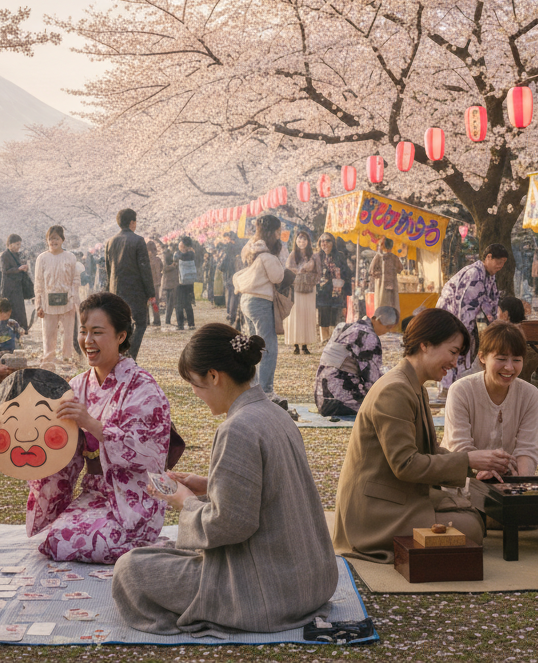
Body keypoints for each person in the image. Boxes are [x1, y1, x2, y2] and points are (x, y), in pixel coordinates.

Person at [112, 323, 337, 635]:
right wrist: (210, 485)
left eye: (194, 383)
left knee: (130, 568)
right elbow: (271, 488)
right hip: (311, 580)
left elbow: (229, 525)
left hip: (268, 592)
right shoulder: (276, 412)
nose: (194, 392)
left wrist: (184, 501)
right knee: (163, 550)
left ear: (214, 376)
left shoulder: (238, 428)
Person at [331, 309, 513, 562]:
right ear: (425, 344)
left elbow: (426, 451)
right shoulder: (395, 390)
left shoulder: (412, 385)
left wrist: (475, 463)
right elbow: (405, 464)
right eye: (452, 352)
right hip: (376, 512)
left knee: (471, 510)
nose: (454, 362)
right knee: (471, 526)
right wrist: (469, 461)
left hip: (397, 496)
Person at [27, 292, 172, 563]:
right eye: (83, 332)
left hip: (133, 498)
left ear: (121, 336)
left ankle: (142, 537)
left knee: (74, 542)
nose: (87, 341)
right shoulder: (78, 385)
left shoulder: (143, 388)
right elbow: (61, 446)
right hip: (95, 492)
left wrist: (93, 425)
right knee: (56, 540)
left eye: (97, 332)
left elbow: (150, 453)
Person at [443, 322, 538, 485]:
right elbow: (459, 448)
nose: (509, 367)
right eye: (501, 359)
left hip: (506, 481)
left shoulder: (529, 394)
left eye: (516, 360)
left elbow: (527, 448)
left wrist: (521, 482)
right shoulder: (461, 391)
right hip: (462, 479)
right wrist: (486, 468)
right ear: (482, 357)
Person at [436, 243, 509, 389]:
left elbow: (490, 303)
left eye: (503, 263)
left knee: (462, 354)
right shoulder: (474, 274)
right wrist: (465, 334)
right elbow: (465, 307)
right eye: (498, 262)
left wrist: (495, 325)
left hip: (462, 321)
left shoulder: (489, 276)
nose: (501, 266)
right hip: (451, 320)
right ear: (488, 257)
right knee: (454, 352)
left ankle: (457, 387)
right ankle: (448, 388)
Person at [233, 215, 287, 399]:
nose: (280, 234)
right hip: (261, 302)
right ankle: (266, 390)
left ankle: (254, 386)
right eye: (278, 231)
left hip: (247, 300)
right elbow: (278, 277)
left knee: (254, 347)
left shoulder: (250, 249)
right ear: (272, 232)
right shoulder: (267, 256)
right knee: (268, 346)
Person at [314, 306, 399, 418]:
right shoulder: (369, 337)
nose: (386, 332)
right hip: (338, 400)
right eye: (388, 328)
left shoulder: (344, 327)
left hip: (321, 396)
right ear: (377, 320)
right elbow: (372, 380)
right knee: (390, 404)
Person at [104, 209, 157, 359]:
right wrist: (150, 292)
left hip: (116, 290)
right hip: (135, 290)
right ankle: (130, 355)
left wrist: (109, 290)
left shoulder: (110, 242)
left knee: (119, 325)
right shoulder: (138, 240)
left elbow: (108, 270)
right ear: (132, 222)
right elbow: (144, 268)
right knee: (140, 322)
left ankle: (118, 355)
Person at [35, 225, 82, 366]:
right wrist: (39, 305)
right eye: (50, 239)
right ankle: (49, 361)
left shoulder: (70, 257)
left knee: (68, 334)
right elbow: (38, 282)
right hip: (48, 303)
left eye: (56, 238)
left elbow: (76, 278)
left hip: (67, 302)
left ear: (62, 240)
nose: (53, 241)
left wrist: (72, 296)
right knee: (49, 335)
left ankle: (67, 360)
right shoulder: (42, 258)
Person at [286, 230, 320, 355]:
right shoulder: (293, 255)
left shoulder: (314, 256)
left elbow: (318, 271)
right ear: (296, 241)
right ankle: (296, 344)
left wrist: (312, 279)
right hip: (296, 288)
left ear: (308, 241)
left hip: (309, 288)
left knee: (307, 315)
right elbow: (288, 270)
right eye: (299, 240)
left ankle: (305, 344)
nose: (302, 242)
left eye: (304, 239)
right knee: (296, 315)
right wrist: (299, 272)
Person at [315, 233, 351, 345]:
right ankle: (324, 341)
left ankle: (336, 342)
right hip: (322, 292)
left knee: (336, 318)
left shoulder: (339, 256)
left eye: (327, 240)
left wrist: (343, 281)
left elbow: (347, 273)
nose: (324, 243)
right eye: (322, 241)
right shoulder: (317, 257)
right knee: (323, 318)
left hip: (337, 292)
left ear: (333, 243)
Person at [0, 235, 33, 333]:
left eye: (19, 245)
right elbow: (5, 270)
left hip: (18, 285)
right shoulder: (4, 255)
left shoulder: (18, 254)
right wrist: (18, 269)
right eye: (17, 244)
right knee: (10, 308)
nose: (18, 247)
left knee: (20, 308)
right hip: (8, 287)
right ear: (10, 244)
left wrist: (24, 268)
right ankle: (8, 329)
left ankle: (22, 328)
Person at [369, 238, 401, 311]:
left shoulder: (379, 257)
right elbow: (400, 268)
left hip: (384, 287)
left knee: (384, 306)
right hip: (385, 286)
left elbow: (371, 271)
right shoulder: (391, 257)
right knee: (389, 307)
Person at [174, 236, 198, 331]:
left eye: (180, 244)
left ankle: (180, 324)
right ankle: (191, 324)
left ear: (183, 245)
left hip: (180, 282)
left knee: (179, 304)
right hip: (189, 282)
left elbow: (175, 260)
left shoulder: (178, 255)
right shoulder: (192, 254)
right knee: (188, 303)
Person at [160, 240, 179, 331]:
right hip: (169, 282)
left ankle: (168, 319)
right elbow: (164, 268)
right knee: (170, 302)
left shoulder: (171, 255)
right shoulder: (166, 255)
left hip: (171, 282)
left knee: (170, 302)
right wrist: (173, 266)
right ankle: (167, 319)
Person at [146, 235, 163, 327]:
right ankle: (157, 320)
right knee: (155, 303)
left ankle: (147, 320)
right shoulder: (158, 259)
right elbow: (161, 269)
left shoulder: (147, 260)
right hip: (157, 284)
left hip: (148, 284)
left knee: (147, 303)